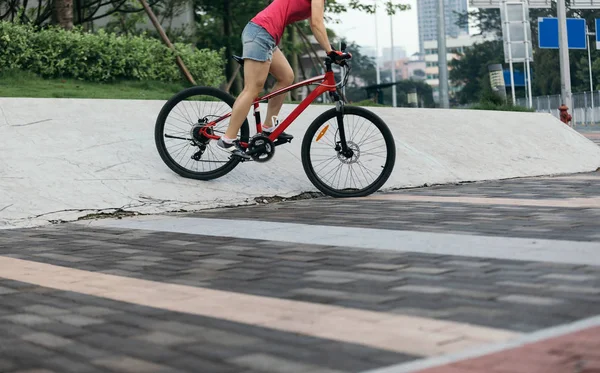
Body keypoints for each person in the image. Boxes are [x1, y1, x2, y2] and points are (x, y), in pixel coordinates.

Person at [217, 0, 345, 159]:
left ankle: (269, 127)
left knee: (286, 77)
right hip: (261, 32)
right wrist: (329, 51)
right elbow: (317, 23)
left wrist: (331, 50)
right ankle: (227, 139)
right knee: (252, 89)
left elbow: (315, 22)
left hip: (267, 35)